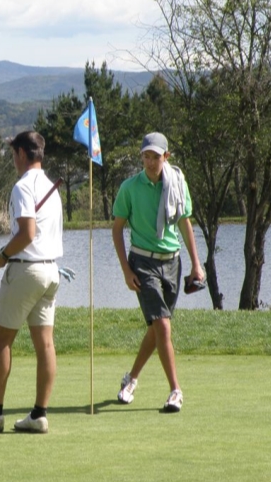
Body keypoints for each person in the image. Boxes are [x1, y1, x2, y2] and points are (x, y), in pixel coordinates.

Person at [0, 131, 63, 434]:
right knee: (45, 344)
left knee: (2, 341)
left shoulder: (22, 187)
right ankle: (39, 414)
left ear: (20, 153)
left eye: (12, 153)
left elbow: (27, 234)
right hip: (50, 271)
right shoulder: (51, 188)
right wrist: (0, 256)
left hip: (25, 271)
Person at [111, 132, 205, 413]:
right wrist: (126, 270)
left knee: (157, 327)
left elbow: (185, 222)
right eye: (146, 156)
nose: (150, 162)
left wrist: (196, 264)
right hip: (143, 262)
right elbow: (116, 230)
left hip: (172, 262)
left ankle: (131, 379)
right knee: (163, 325)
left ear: (166, 157)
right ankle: (176, 390)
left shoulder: (178, 183)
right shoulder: (129, 188)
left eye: (155, 156)